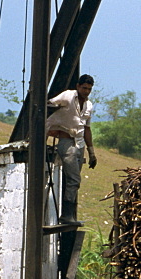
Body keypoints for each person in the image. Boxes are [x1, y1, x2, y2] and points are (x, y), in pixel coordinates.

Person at [46, 74, 97, 225]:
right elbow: (49, 106)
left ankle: (69, 215)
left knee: (73, 180)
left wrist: (92, 152)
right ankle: (67, 216)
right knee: (74, 179)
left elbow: (87, 129)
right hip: (66, 141)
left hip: (79, 143)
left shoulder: (88, 105)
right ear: (78, 86)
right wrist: (51, 128)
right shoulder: (68, 96)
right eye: (84, 88)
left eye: (89, 89)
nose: (86, 91)